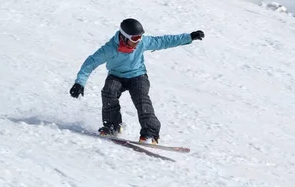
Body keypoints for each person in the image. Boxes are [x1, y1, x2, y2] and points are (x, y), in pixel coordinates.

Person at [69, 18, 205, 144]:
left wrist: (189, 37)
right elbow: (90, 62)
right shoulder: (110, 49)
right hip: (116, 76)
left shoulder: (142, 43)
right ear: (124, 37)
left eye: (140, 37)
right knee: (109, 92)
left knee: (141, 97)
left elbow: (163, 41)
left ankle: (150, 133)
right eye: (135, 38)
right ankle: (112, 126)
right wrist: (79, 82)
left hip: (138, 76)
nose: (138, 40)